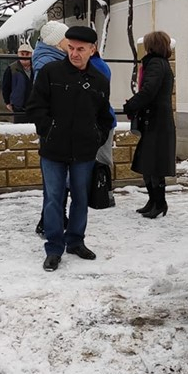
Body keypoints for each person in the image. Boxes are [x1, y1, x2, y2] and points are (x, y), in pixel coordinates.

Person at [26, 25, 112, 270]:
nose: (74, 53)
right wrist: (48, 128)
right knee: (53, 198)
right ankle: (54, 247)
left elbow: (104, 116)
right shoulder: (51, 73)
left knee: (80, 198)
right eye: (71, 48)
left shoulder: (99, 80)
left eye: (81, 49)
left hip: (84, 152)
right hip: (53, 149)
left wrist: (96, 136)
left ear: (92, 50)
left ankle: (76, 240)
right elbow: (35, 106)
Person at [123, 31, 176, 219]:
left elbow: (148, 92)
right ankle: (153, 201)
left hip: (157, 121)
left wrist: (131, 105)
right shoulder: (158, 63)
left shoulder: (155, 63)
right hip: (155, 120)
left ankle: (159, 203)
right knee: (148, 164)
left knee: (154, 165)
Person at [1, 41, 33, 122]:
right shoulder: (11, 69)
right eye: (22, 54)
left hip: (34, 107)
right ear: (18, 54)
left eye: (27, 54)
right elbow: (6, 87)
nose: (25, 57)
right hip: (19, 107)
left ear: (31, 55)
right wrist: (7, 102)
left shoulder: (36, 67)